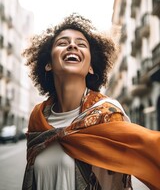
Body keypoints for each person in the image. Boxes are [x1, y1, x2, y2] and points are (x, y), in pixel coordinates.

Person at [22, 13, 160, 190]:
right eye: (62, 43)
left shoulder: (108, 113)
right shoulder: (37, 118)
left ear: (91, 67)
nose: (72, 45)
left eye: (81, 44)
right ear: (48, 64)